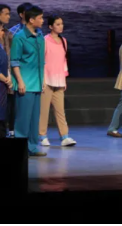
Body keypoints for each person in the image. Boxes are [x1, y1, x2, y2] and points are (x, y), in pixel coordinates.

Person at [11, 5, 47, 156]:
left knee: (34, 118)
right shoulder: (19, 37)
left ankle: (32, 147)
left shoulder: (40, 37)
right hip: (25, 83)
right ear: (31, 20)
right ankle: (20, 149)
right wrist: (20, 81)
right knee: (23, 119)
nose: (43, 20)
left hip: (37, 83)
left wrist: (43, 80)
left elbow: (42, 61)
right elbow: (14, 61)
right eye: (40, 18)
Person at [39, 14, 76, 147]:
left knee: (60, 110)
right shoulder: (44, 40)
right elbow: (41, 61)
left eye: (62, 24)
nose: (61, 26)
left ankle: (64, 136)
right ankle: (42, 136)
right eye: (58, 24)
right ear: (50, 26)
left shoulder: (63, 41)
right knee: (44, 111)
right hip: (47, 80)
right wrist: (42, 80)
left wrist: (64, 79)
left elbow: (63, 61)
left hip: (59, 81)